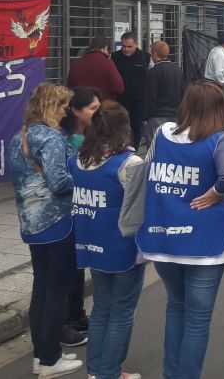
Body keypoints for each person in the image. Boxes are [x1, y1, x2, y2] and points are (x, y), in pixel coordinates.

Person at [133, 81, 224, 379]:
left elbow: (145, 169)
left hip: (163, 238)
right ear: (219, 110)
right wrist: (217, 192)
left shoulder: (162, 133)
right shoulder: (220, 140)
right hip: (204, 243)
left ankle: (171, 374)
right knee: (197, 319)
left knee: (176, 308)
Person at [8, 83, 85, 379]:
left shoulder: (19, 136)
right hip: (57, 220)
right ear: (51, 107)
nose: (66, 112)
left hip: (30, 221)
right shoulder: (52, 138)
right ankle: (50, 360)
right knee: (57, 292)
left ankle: (42, 355)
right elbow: (59, 182)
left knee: (41, 288)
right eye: (63, 106)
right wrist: (83, 177)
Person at [69, 101, 145, 379]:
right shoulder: (129, 163)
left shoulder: (77, 159)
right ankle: (110, 372)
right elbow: (140, 208)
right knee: (122, 310)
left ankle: (96, 370)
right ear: (124, 128)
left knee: (101, 307)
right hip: (123, 247)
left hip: (90, 243)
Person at [57, 86, 102, 345]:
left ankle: (76, 314)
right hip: (71, 210)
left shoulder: (88, 137)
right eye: (92, 108)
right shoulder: (71, 142)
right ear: (75, 111)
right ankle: (66, 319)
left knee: (78, 267)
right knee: (68, 268)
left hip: (84, 211)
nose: (97, 113)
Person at [111, 32, 151, 148]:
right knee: (118, 128)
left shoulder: (145, 57)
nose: (126, 49)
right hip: (120, 100)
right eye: (124, 46)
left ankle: (134, 150)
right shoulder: (114, 57)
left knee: (136, 128)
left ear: (136, 44)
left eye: (130, 46)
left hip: (138, 101)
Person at [143, 41, 183, 142]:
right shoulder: (177, 70)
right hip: (175, 115)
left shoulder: (154, 72)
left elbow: (150, 96)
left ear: (155, 54)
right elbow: (182, 93)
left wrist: (145, 117)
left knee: (155, 146)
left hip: (157, 115)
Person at [67, 36, 124, 102]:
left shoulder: (76, 64)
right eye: (109, 50)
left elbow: (70, 88)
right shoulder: (108, 63)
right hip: (103, 104)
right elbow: (118, 88)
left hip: (80, 105)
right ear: (105, 48)